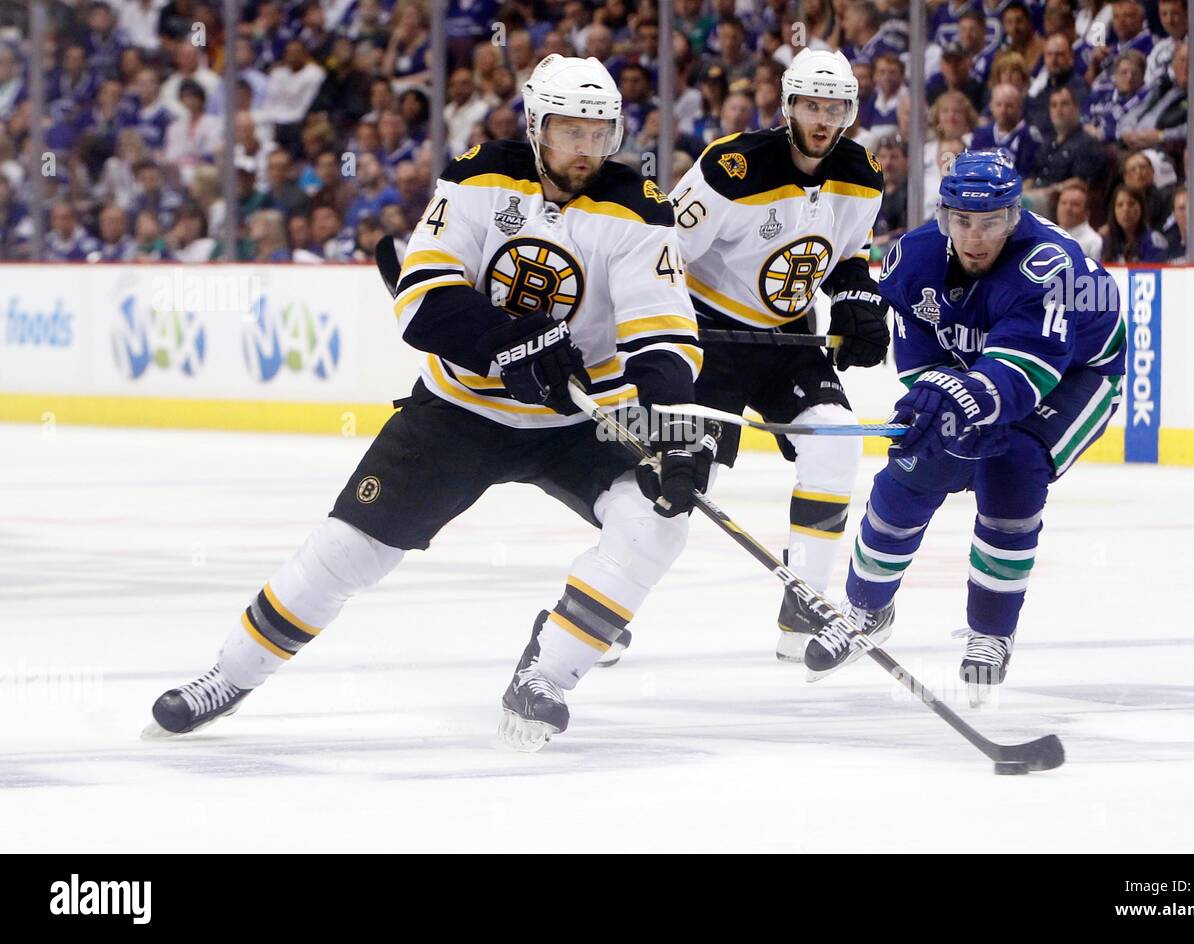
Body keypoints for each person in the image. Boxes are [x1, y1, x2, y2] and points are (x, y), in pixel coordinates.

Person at [146, 55, 707, 753]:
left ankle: (548, 675)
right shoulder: (478, 176)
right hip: (459, 411)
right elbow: (423, 300)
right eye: (569, 131)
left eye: (599, 132)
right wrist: (507, 342)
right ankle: (228, 675)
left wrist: (676, 431)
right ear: (536, 126)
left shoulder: (639, 209)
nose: (586, 148)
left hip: (574, 420)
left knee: (657, 520)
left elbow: (664, 337)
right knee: (347, 552)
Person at [803, 150, 1127, 704]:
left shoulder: (1049, 268)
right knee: (911, 469)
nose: (975, 237)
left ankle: (991, 635)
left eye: (992, 222)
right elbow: (919, 363)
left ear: (1015, 217)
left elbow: (1023, 377)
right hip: (979, 372)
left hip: (1077, 374)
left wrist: (958, 399)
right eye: (963, 221)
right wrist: (937, 404)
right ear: (944, 216)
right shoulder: (914, 258)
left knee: (1013, 469)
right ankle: (865, 609)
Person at [669, 48, 889, 661]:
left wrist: (854, 299)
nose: (824, 119)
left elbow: (848, 255)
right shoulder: (732, 169)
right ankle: (600, 612)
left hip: (790, 338)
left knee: (838, 437)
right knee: (683, 485)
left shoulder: (862, 173)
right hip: (708, 338)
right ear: (788, 105)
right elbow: (661, 256)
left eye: (836, 108)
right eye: (812, 105)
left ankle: (805, 610)